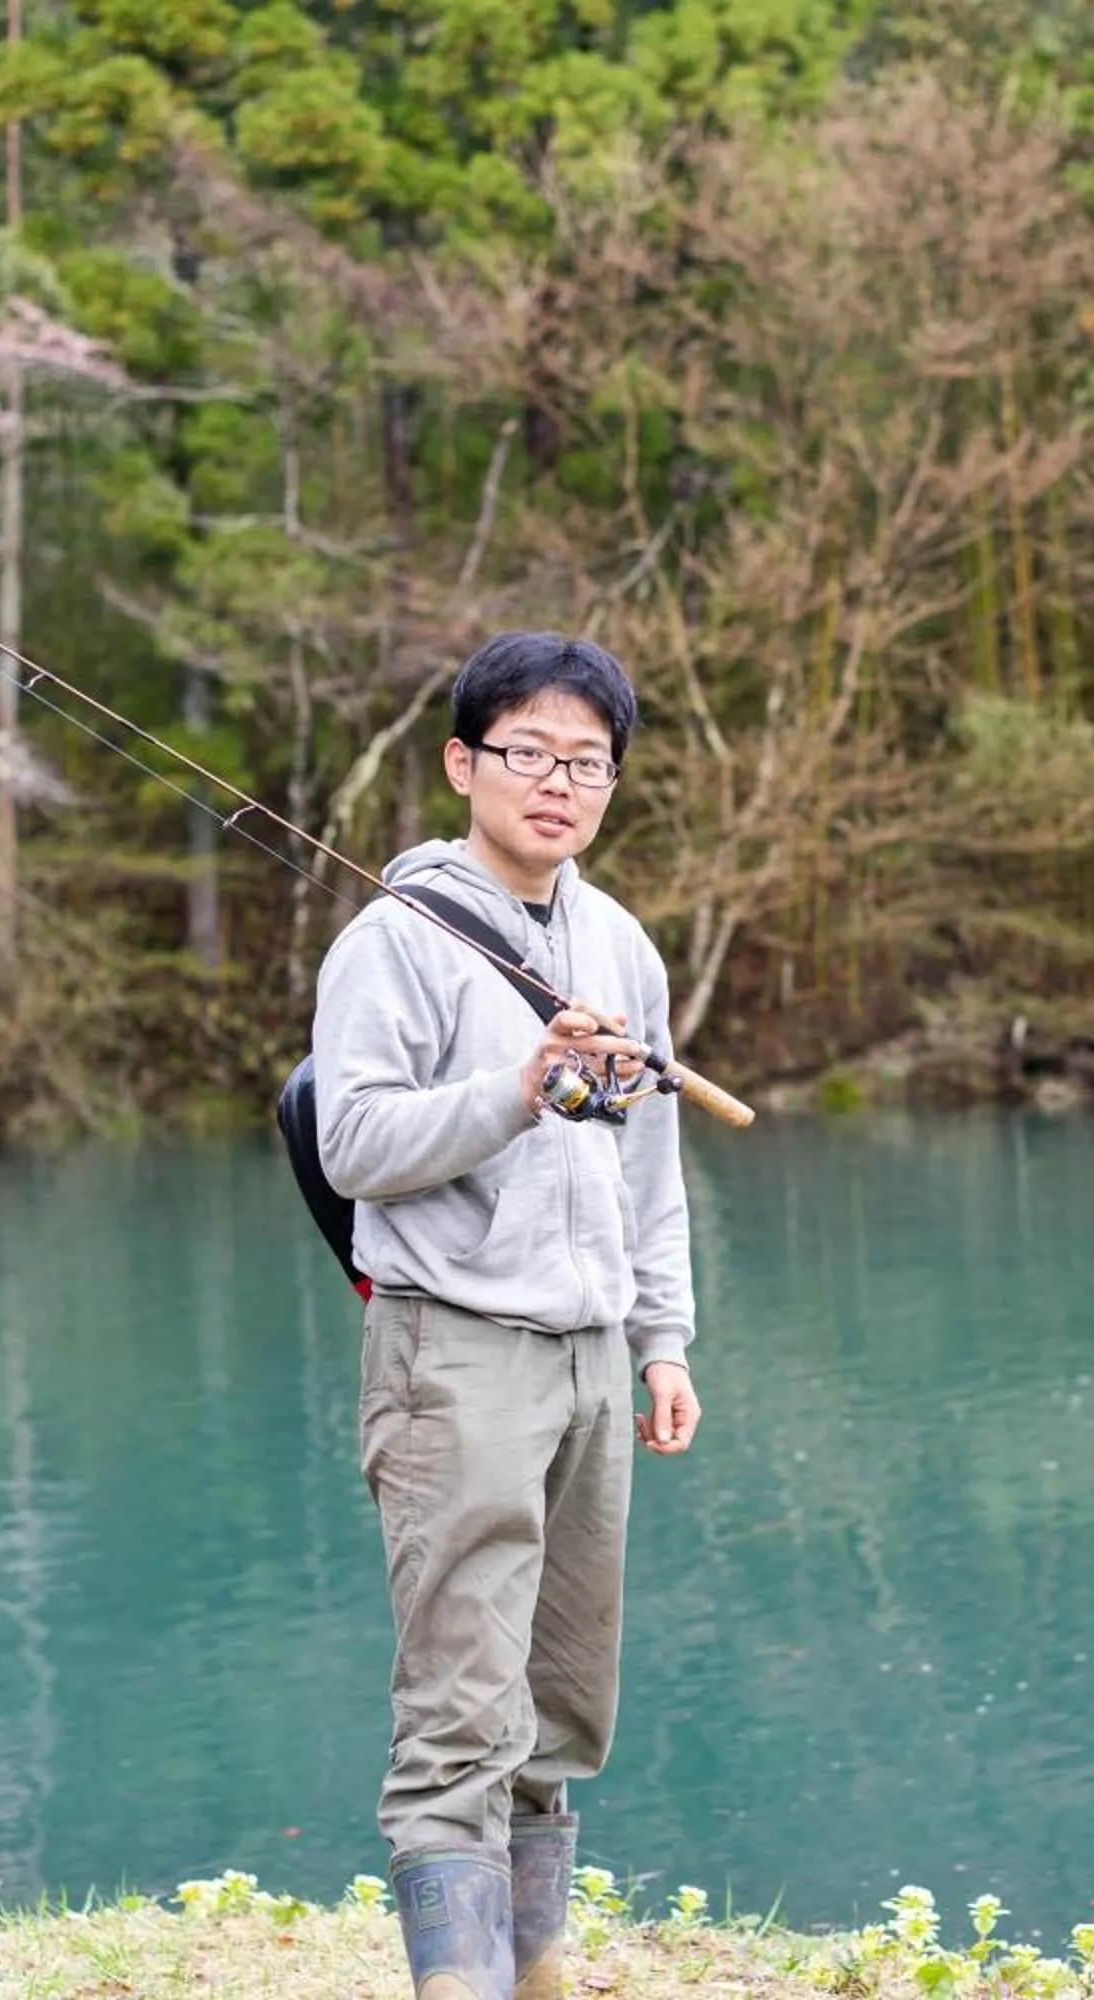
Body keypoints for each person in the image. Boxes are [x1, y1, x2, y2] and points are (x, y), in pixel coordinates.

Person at [311, 631, 705, 2000]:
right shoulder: (394, 940)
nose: (557, 782)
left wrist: (664, 1342)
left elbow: (649, 1166)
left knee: (562, 1704)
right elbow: (353, 1140)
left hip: (597, 1358)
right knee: (462, 1711)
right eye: (526, 752)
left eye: (586, 761)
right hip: (454, 1352)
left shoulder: (623, 948)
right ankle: (454, 1986)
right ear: (463, 763)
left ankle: (538, 1974)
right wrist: (519, 1089)